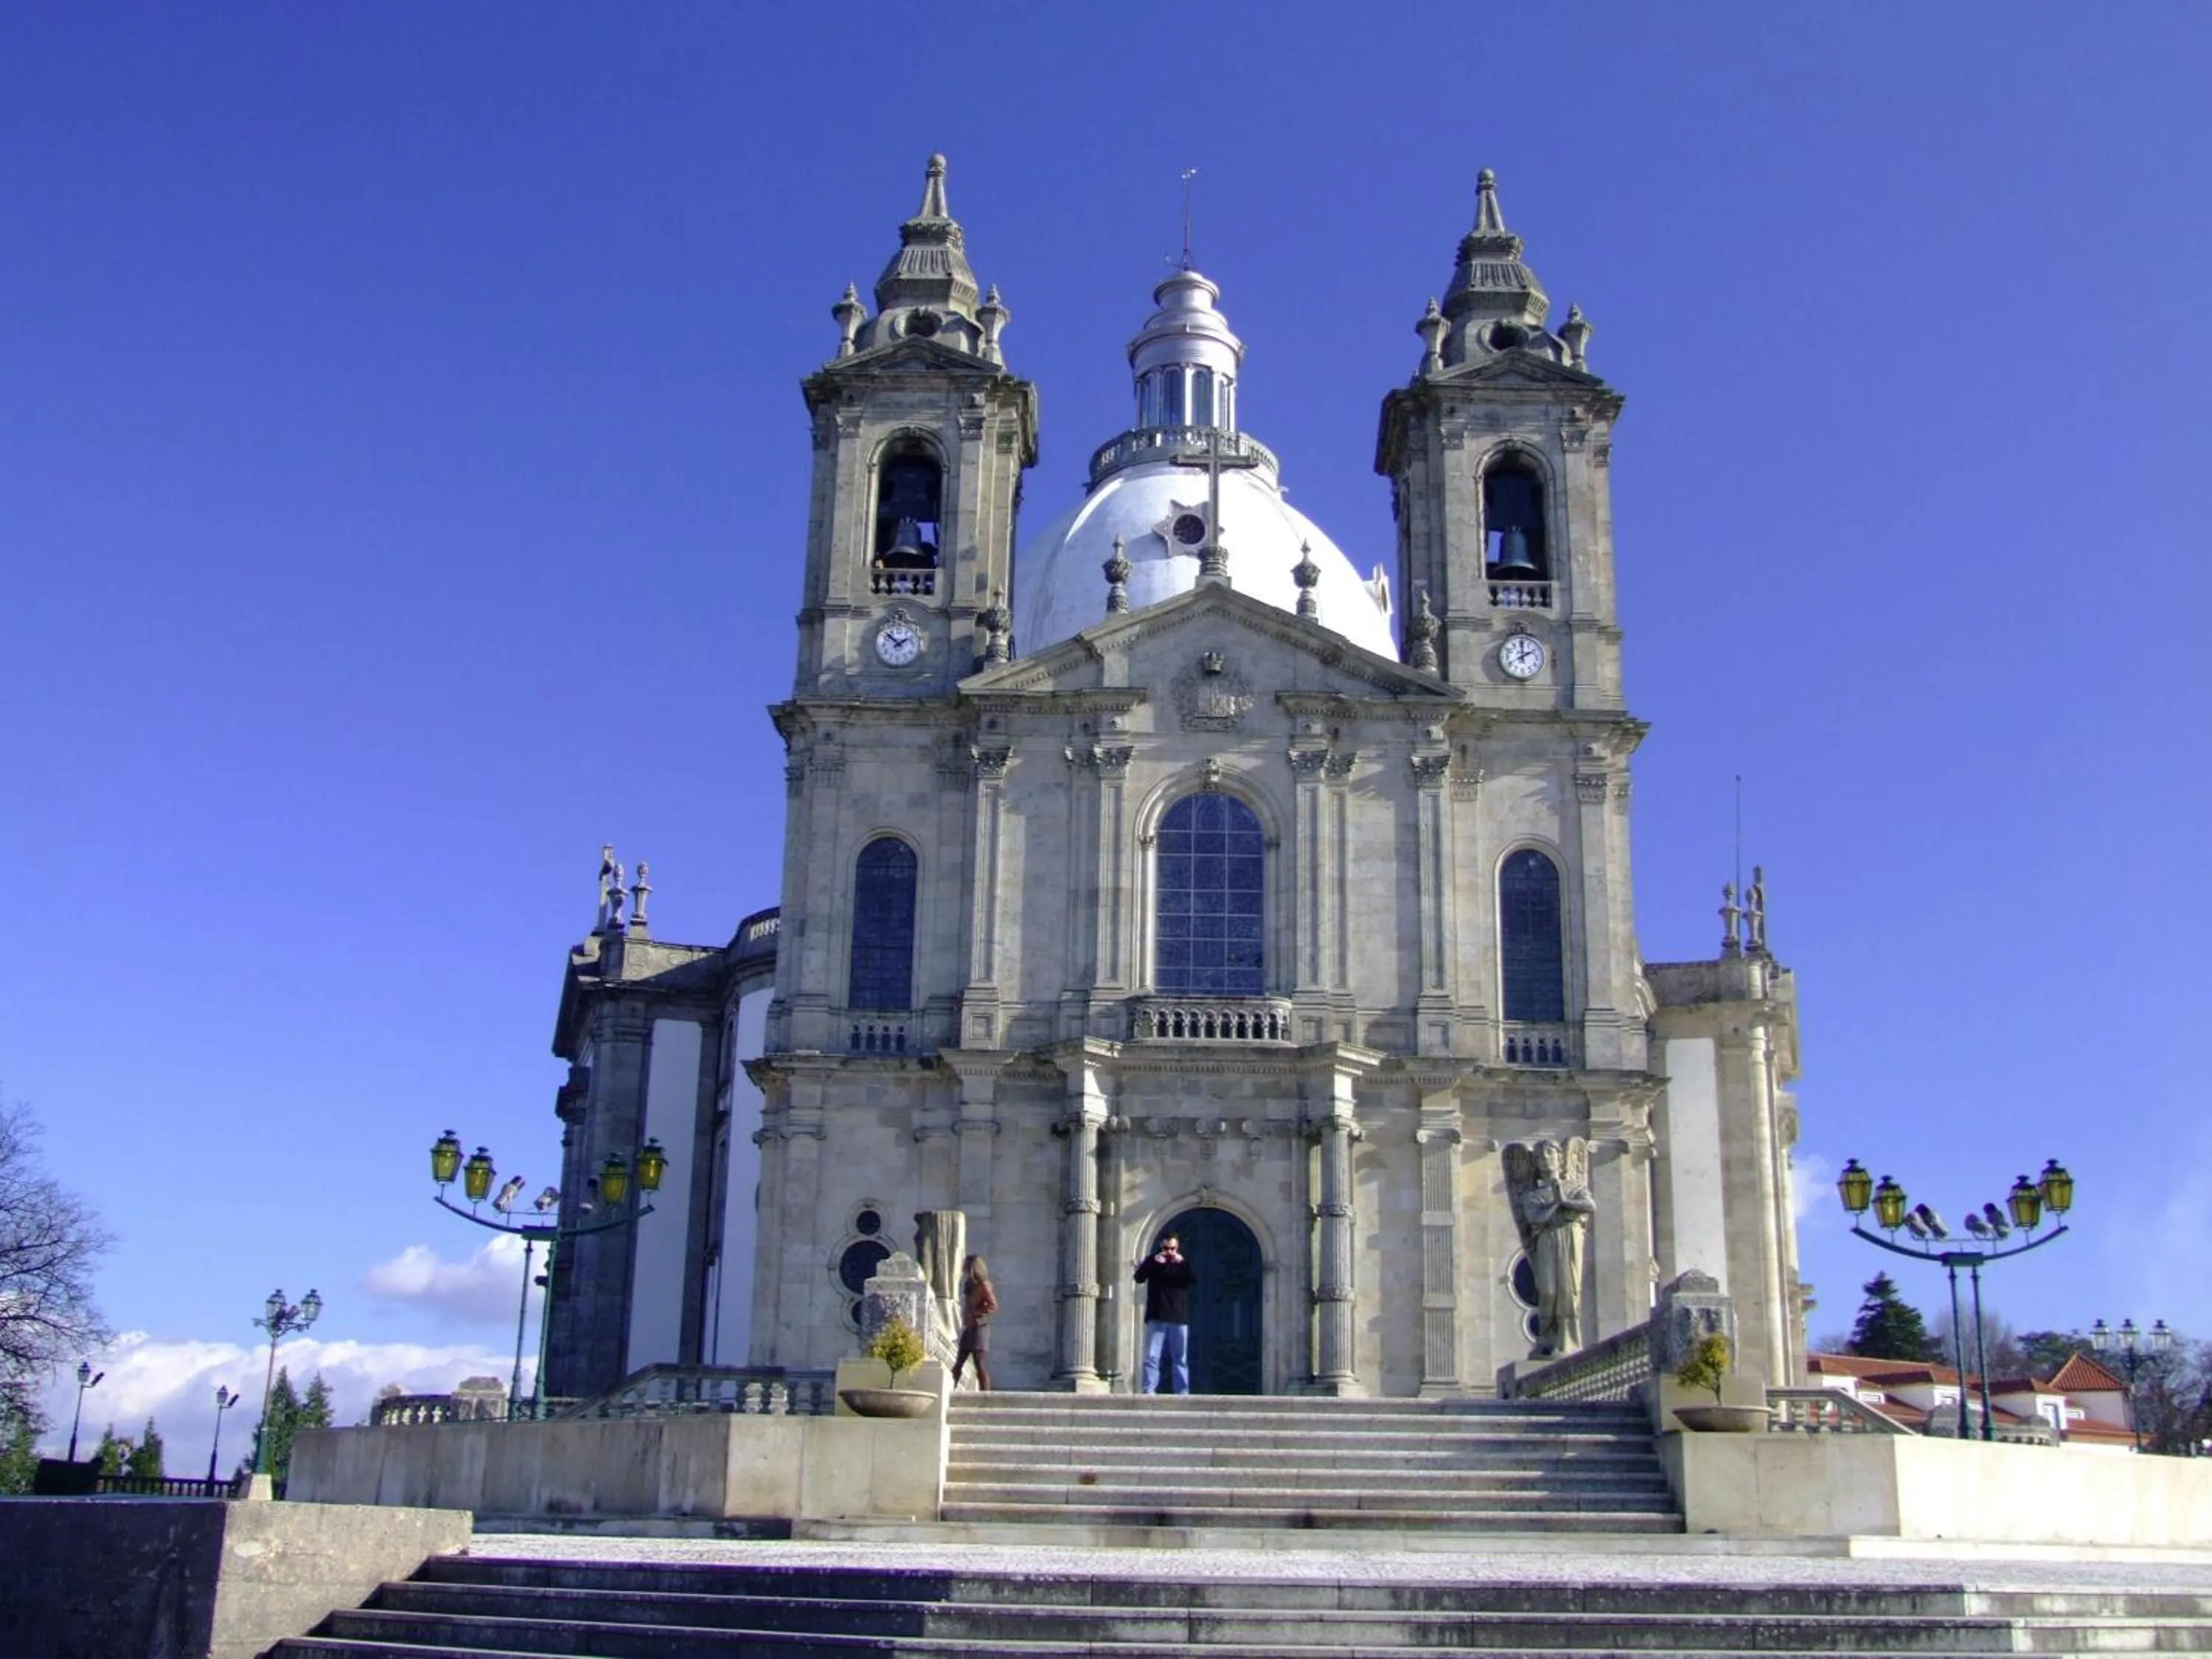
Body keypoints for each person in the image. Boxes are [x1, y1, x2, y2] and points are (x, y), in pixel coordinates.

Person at [1134, 1234, 1197, 1394]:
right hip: (1157, 1315)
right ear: (1161, 1247)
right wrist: (1153, 1262)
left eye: (1173, 1249)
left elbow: (1194, 1280)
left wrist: (1182, 1263)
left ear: (1177, 1248)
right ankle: (1149, 1389)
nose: (1169, 1252)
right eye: (1166, 1248)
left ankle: (1182, 1391)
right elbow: (1139, 1278)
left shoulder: (1184, 1263)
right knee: (1152, 1356)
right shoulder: (1153, 1261)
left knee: (1180, 1358)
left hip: (1179, 1316)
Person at [950, 1254, 997, 1391]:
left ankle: (985, 1396)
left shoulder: (983, 1285)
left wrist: (977, 1315)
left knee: (980, 1365)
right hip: (969, 1328)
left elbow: (993, 1306)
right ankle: (951, 1391)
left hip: (980, 1329)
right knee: (958, 1364)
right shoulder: (969, 1286)